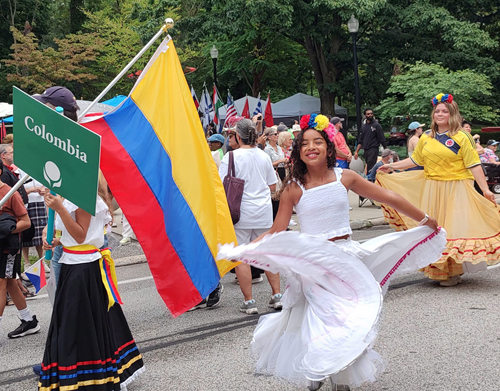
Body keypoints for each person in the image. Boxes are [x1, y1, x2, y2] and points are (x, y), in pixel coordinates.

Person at [218, 113, 444, 390]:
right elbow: (277, 230)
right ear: (298, 153)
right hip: (314, 262)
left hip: (346, 256)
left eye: (317, 142)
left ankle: (336, 371)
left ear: (328, 147)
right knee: (324, 314)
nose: (311, 147)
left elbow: (390, 197)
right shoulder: (293, 189)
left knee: (347, 317)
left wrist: (424, 219)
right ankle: (319, 365)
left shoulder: (345, 177)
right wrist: (244, 249)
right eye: (305, 145)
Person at [377, 93, 500, 286]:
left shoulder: (462, 136)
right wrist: (392, 167)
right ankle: (441, 270)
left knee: (452, 229)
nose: (440, 114)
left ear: (452, 114)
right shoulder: (426, 137)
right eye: (437, 111)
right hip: (432, 187)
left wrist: (485, 189)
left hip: (457, 187)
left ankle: (452, 271)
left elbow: (474, 164)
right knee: (433, 228)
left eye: (444, 111)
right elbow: (416, 161)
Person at [38, 180, 144, 389]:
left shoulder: (86, 200)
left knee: (77, 322)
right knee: (80, 321)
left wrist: (59, 209)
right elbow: (72, 235)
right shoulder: (73, 198)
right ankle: (73, 370)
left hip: (83, 268)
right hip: (73, 264)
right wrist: (57, 240)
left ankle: (85, 375)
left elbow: (80, 235)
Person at [219, 119, 282, 315]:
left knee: (242, 257)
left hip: (240, 213)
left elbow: (222, 187)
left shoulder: (230, 157)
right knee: (268, 253)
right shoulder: (263, 156)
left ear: (238, 136)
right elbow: (272, 186)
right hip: (263, 211)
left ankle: (249, 301)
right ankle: (277, 295)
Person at [0, 160, 37, 338]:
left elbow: (26, 222)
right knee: (10, 283)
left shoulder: (9, 193)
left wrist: (6, 229)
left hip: (7, 248)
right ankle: (28, 320)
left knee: (1, 284)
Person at [354, 108, 387, 173]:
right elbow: (360, 140)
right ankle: (370, 178)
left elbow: (381, 138)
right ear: (365, 116)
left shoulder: (376, 125)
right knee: (368, 165)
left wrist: (386, 149)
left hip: (373, 148)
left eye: (371, 113)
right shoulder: (363, 126)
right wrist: (356, 151)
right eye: (368, 114)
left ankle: (370, 180)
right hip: (366, 149)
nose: (370, 115)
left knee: (370, 165)